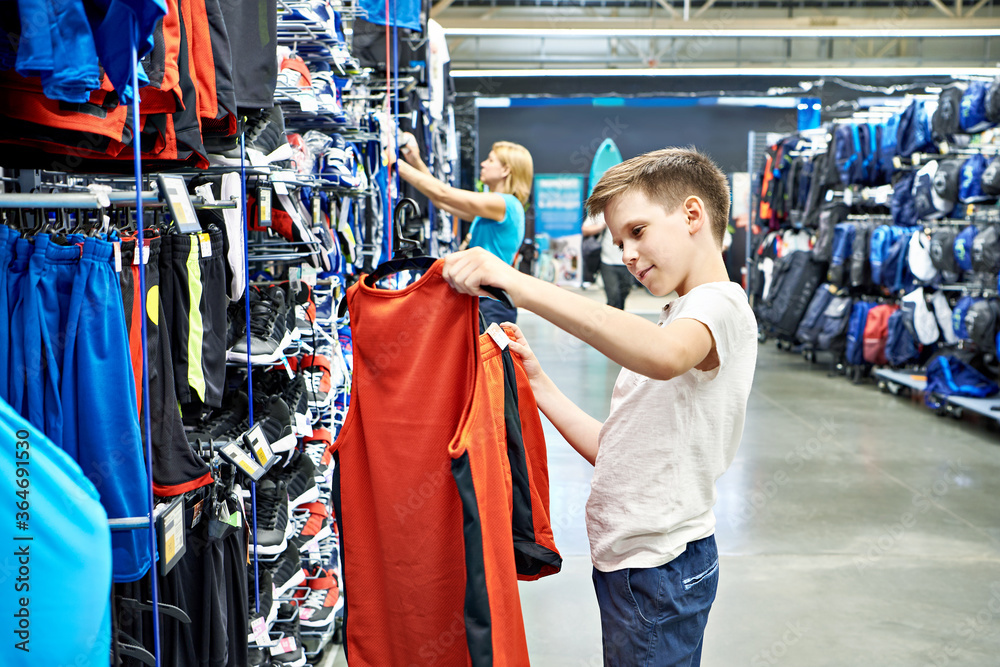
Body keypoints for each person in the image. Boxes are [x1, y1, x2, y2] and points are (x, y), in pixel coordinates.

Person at [440, 148, 758, 666]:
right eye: (618, 242)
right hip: (636, 568)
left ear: (693, 215)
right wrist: (539, 384)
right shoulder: (682, 313)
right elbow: (617, 451)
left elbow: (664, 355)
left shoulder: (718, 306)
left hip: (660, 570)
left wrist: (520, 284)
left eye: (637, 231)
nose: (628, 254)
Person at [391, 132, 533, 326]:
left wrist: (395, 163)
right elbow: (441, 200)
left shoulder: (505, 204)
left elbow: (443, 195)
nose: (483, 163)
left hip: (491, 302)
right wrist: (415, 161)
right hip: (486, 299)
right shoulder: (496, 208)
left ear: (506, 170)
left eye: (490, 160)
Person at [581, 210, 633, 310]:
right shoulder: (601, 212)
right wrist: (601, 226)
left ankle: (619, 319)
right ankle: (613, 322)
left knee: (624, 293)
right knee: (613, 296)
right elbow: (585, 230)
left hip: (627, 262)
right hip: (607, 262)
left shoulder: (629, 210)